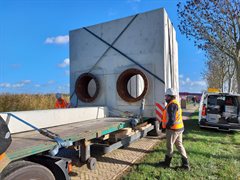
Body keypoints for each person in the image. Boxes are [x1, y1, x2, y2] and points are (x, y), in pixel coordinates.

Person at [159, 88, 190, 170]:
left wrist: (166, 127)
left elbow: (172, 120)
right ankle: (185, 164)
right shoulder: (175, 103)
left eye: (166, 96)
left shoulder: (171, 105)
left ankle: (166, 163)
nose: (165, 98)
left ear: (170, 96)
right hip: (179, 128)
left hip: (173, 130)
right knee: (179, 145)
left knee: (169, 146)